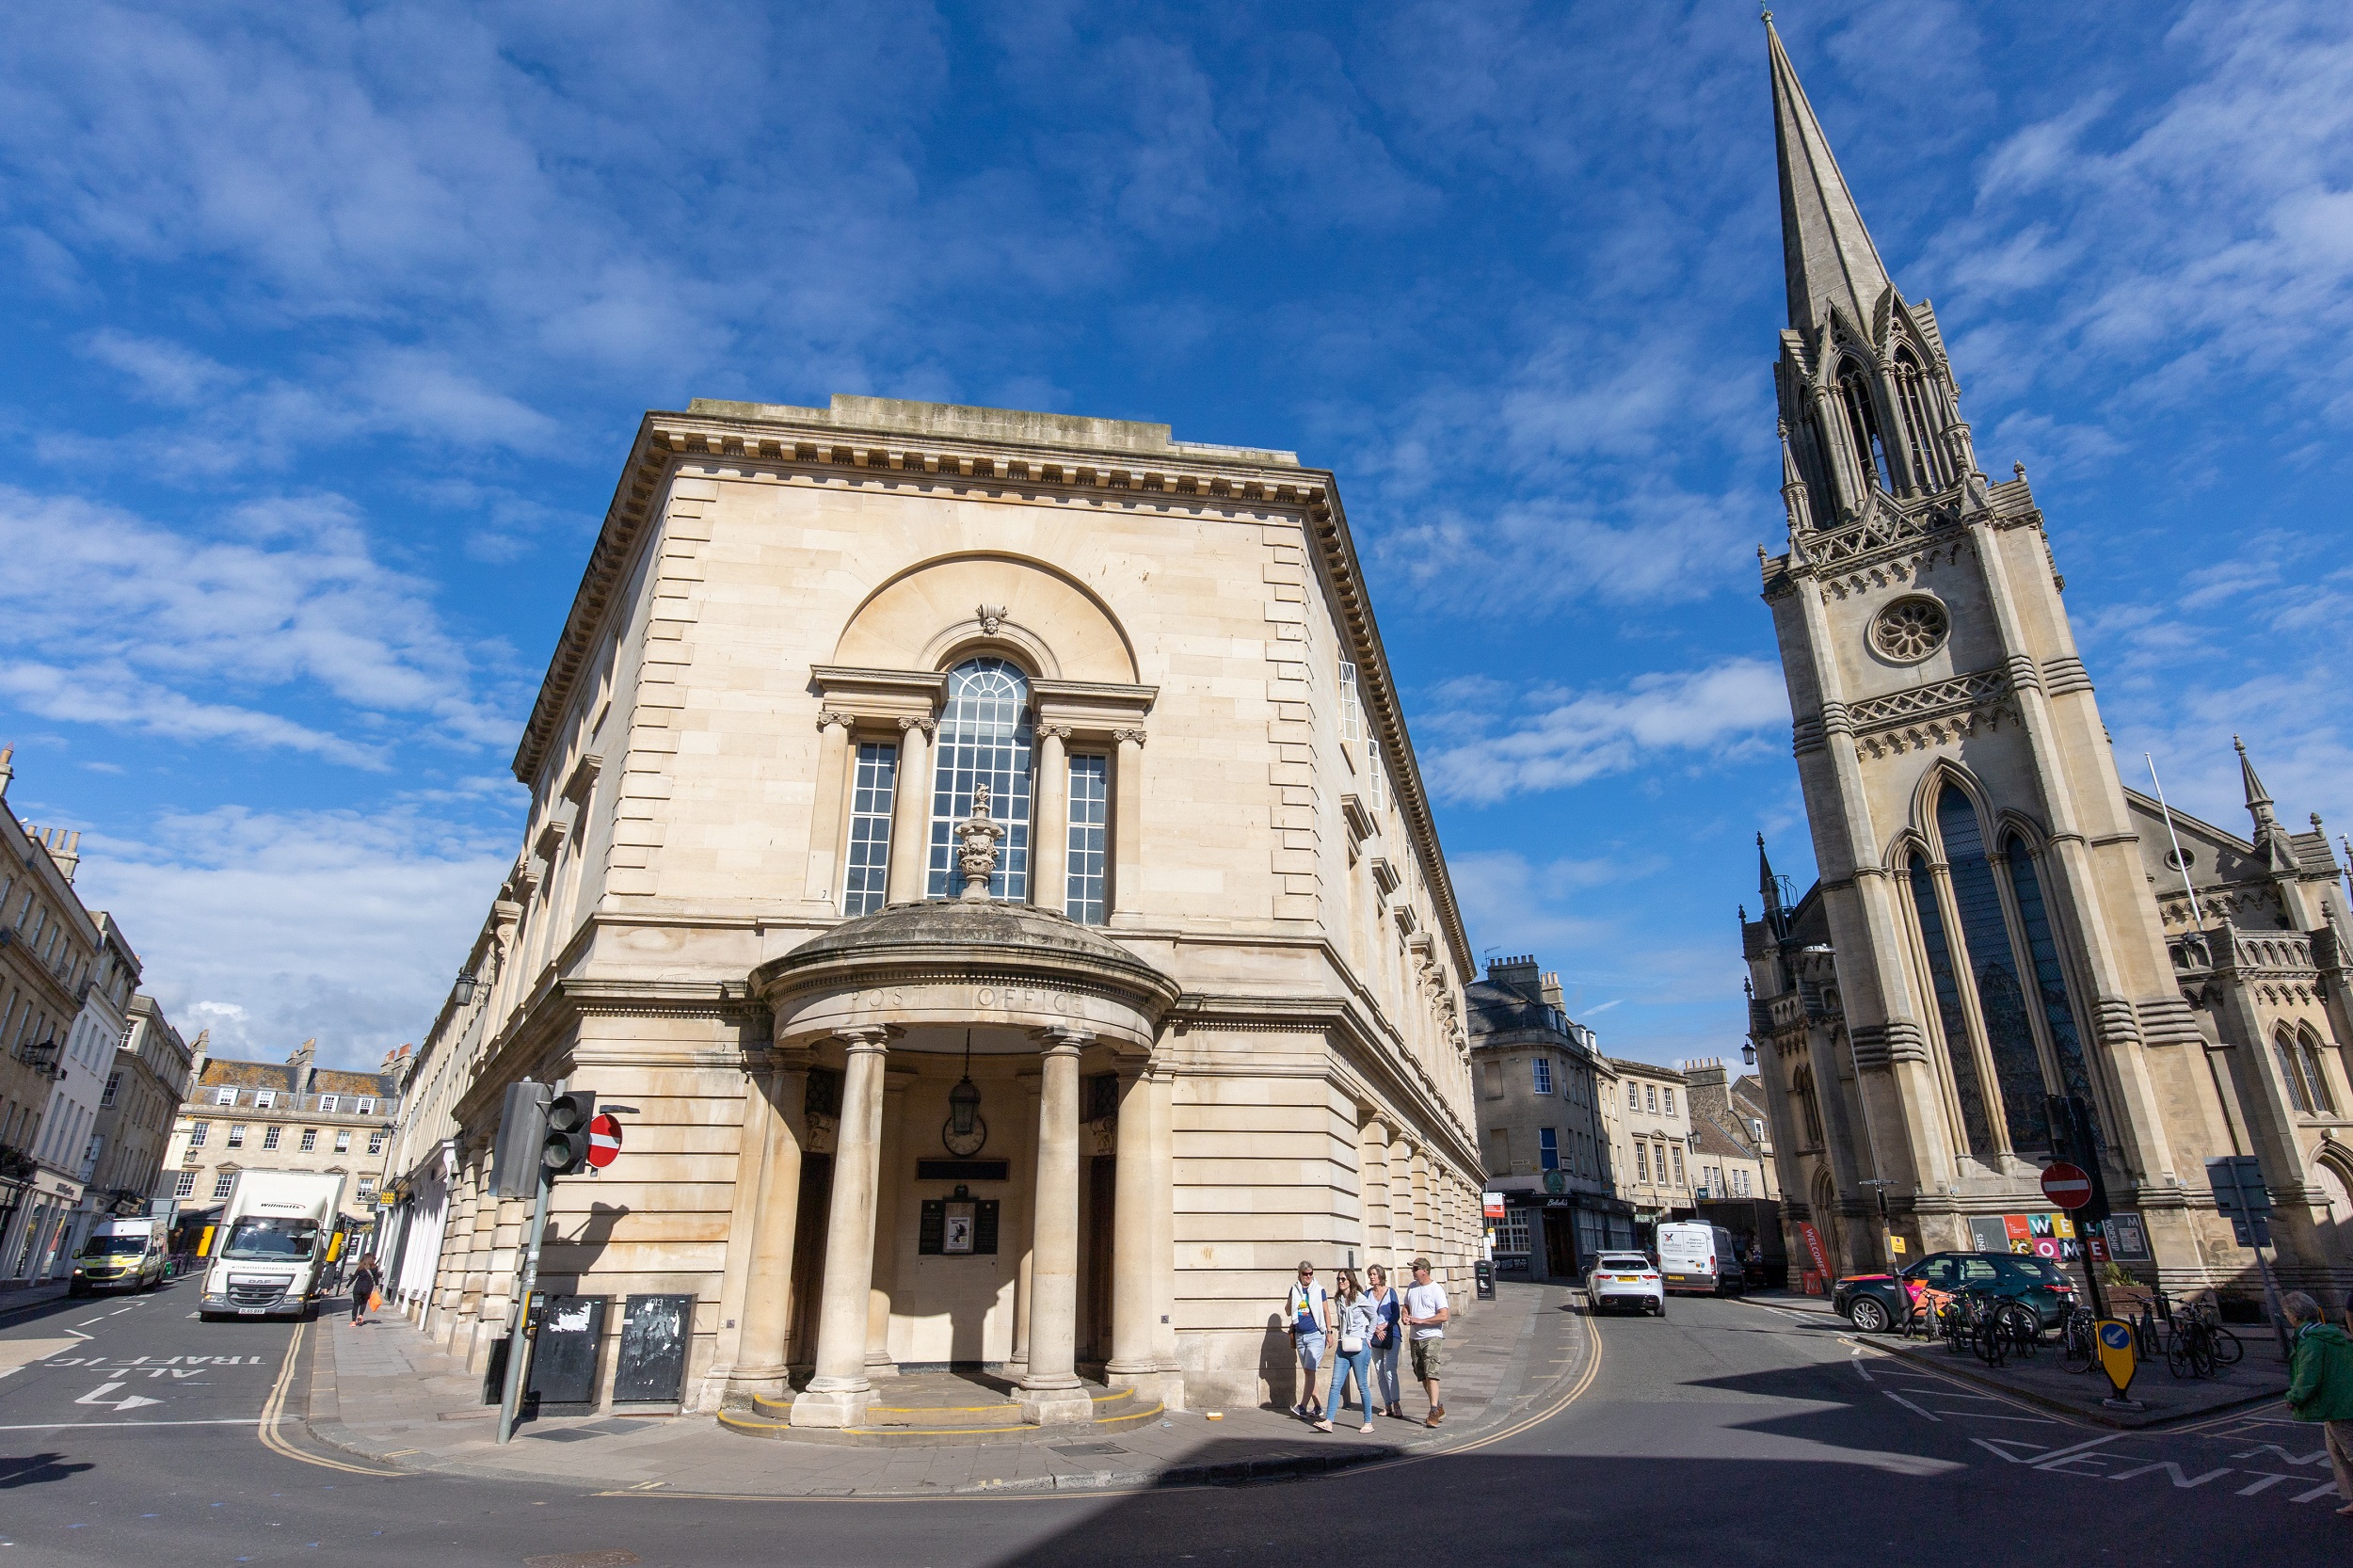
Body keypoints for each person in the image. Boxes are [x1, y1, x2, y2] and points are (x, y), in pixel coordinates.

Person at [2284, 1291, 2353, 1515]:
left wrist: (2294, 1397)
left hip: (2339, 1405)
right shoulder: (2327, 1333)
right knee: (2337, 1452)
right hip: (2337, 1403)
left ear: (2295, 1315)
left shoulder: (2311, 1340)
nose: (2286, 1317)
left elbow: (2309, 1375)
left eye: (2286, 1313)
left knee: (2350, 1451)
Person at [1316, 1269, 1377, 1433]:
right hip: (1343, 1346)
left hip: (1359, 1346)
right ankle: (1329, 1421)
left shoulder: (1361, 1299)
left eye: (1343, 1278)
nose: (1340, 1281)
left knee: (1362, 1385)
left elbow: (1374, 1317)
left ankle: (1368, 1422)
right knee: (1335, 1384)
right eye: (1338, 1279)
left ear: (1350, 1280)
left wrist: (1368, 1337)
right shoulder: (1339, 1300)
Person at [1402, 1256, 1450, 1427]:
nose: (1412, 1272)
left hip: (1432, 1336)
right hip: (1415, 1337)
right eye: (1412, 1269)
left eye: (1415, 1269)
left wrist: (1422, 1321)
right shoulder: (1412, 1287)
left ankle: (1433, 1412)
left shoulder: (1436, 1289)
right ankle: (1438, 1406)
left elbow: (1444, 1315)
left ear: (1424, 1271)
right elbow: (1406, 1306)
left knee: (1432, 1373)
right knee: (1421, 1374)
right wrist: (1405, 1316)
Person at [1284, 1260, 1331, 1421]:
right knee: (1308, 1372)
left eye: (1311, 1273)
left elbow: (1326, 1312)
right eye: (1305, 1274)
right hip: (1300, 1335)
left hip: (1316, 1334)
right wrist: (1291, 1299)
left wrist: (1329, 1333)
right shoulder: (1295, 1289)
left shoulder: (1319, 1290)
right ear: (1300, 1274)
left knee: (1310, 1370)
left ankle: (1302, 1406)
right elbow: (1288, 1310)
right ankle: (1317, 1407)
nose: (1309, 1276)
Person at [1365, 1263, 1405, 1419]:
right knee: (1379, 1371)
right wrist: (1375, 1329)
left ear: (1380, 1275)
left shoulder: (1391, 1292)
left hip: (1391, 1334)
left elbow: (1396, 1315)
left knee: (1390, 1370)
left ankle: (1396, 1404)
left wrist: (1384, 1326)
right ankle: (1387, 1405)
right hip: (1374, 1336)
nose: (1372, 1277)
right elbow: (1363, 1315)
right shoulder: (1367, 1294)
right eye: (1370, 1275)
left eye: (1374, 1274)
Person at [347, 1253, 380, 1326]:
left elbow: (354, 1278)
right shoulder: (374, 1268)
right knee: (364, 1302)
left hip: (358, 1288)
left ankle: (353, 1322)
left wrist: (346, 1287)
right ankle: (360, 1315)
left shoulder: (360, 1268)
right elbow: (376, 1278)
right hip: (368, 1288)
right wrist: (377, 1287)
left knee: (356, 1304)